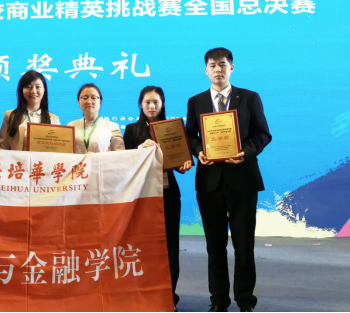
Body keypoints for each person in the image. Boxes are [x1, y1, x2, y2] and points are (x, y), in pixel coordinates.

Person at [186, 48, 272, 313]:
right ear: (206, 70)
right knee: (215, 245)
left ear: (231, 68)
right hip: (209, 182)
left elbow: (263, 134)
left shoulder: (249, 97)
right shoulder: (196, 101)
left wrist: (245, 152)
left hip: (242, 179)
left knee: (244, 244)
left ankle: (245, 301)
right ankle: (218, 300)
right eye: (212, 65)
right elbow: (190, 135)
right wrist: (198, 151)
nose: (218, 69)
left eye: (222, 64)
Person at [123, 86, 192, 311]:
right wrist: (139, 149)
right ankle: (143, 296)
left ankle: (169, 297)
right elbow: (123, 163)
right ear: (140, 104)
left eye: (156, 102)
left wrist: (184, 164)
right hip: (141, 196)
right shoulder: (131, 130)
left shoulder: (172, 128)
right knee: (142, 246)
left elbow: (180, 163)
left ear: (162, 104)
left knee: (170, 246)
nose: (152, 106)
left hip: (168, 194)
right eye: (147, 102)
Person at [0, 70, 60, 150]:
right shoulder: (10, 115)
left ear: (44, 89)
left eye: (38, 87)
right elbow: (3, 147)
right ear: (21, 90)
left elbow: (57, 150)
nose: (33, 91)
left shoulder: (54, 119)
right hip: (17, 158)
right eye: (28, 87)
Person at [68, 84, 125, 153]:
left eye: (94, 97)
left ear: (100, 101)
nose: (89, 101)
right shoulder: (71, 126)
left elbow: (120, 154)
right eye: (85, 98)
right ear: (79, 101)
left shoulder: (112, 126)